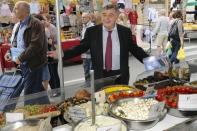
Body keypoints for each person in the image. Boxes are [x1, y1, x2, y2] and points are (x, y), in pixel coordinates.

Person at [48, 4, 148, 88]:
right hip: (100, 76)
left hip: (120, 76)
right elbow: (80, 48)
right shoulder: (92, 32)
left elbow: (136, 50)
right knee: (101, 104)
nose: (107, 18)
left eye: (111, 15)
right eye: (104, 15)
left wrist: (152, 62)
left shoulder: (125, 32)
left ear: (117, 16)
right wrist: (62, 54)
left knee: (120, 102)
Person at [4, 1, 49, 104]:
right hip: (24, 64)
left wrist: (20, 58)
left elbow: (35, 45)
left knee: (29, 94)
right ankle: (50, 111)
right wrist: (9, 52)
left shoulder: (36, 23)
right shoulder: (19, 24)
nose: (13, 10)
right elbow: (16, 42)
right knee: (38, 90)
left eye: (16, 8)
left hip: (33, 63)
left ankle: (29, 118)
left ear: (24, 10)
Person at [81, 12, 94, 87]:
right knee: (85, 67)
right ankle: (87, 82)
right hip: (84, 52)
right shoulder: (84, 27)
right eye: (82, 17)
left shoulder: (92, 26)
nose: (82, 19)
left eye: (84, 17)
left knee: (91, 69)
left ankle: (92, 83)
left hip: (90, 52)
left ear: (89, 18)